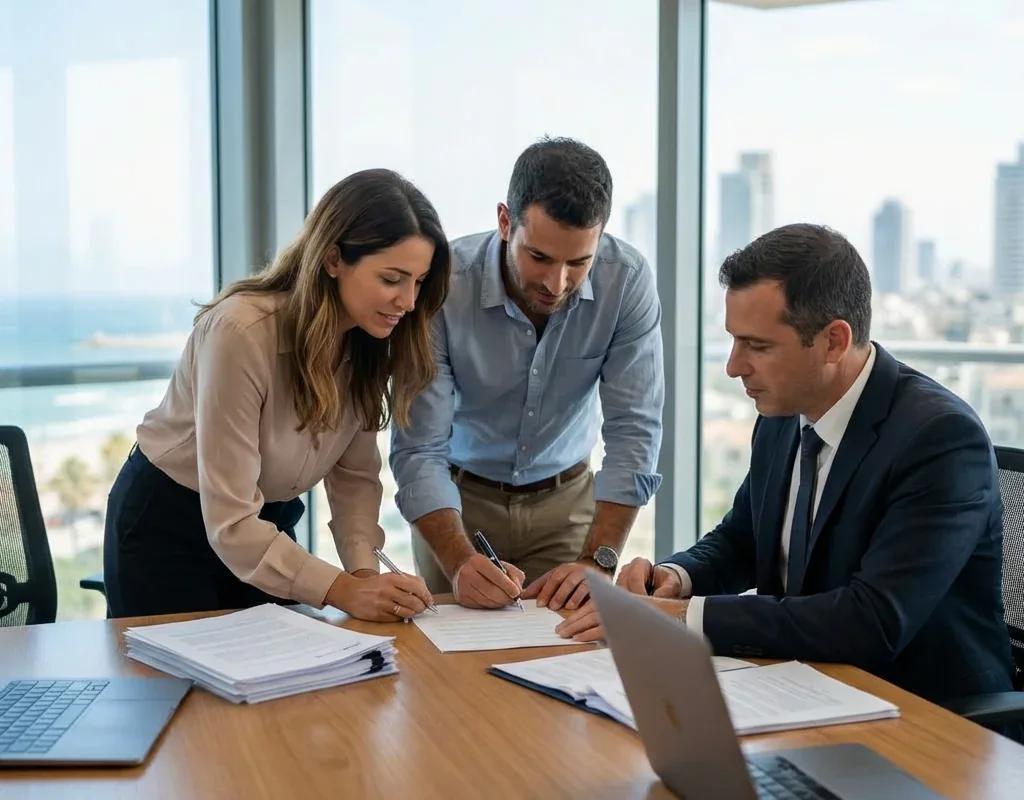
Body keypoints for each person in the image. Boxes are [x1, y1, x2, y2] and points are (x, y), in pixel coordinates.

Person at [557, 222, 1017, 708]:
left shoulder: (940, 440)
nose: (734, 366)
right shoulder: (783, 416)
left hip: (927, 717)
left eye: (757, 346)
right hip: (807, 689)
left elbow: (871, 621)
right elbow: (742, 539)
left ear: (834, 341)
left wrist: (676, 617)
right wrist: (675, 578)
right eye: (735, 341)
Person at [103, 168, 449, 622]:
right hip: (169, 527)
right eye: (392, 279)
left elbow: (355, 478)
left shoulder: (371, 339)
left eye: (419, 282)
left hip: (263, 527)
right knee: (182, 691)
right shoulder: (239, 332)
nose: (407, 301)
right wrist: (341, 590)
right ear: (331, 260)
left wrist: (364, 575)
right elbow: (229, 520)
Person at [389, 137, 664, 612]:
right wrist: (457, 561)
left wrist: (600, 560)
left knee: (562, 663)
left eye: (579, 262)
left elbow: (634, 430)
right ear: (504, 221)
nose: (556, 283)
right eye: (539, 257)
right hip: (457, 504)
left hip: (567, 506)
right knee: (450, 675)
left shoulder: (628, 280)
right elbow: (419, 447)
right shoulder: (442, 286)